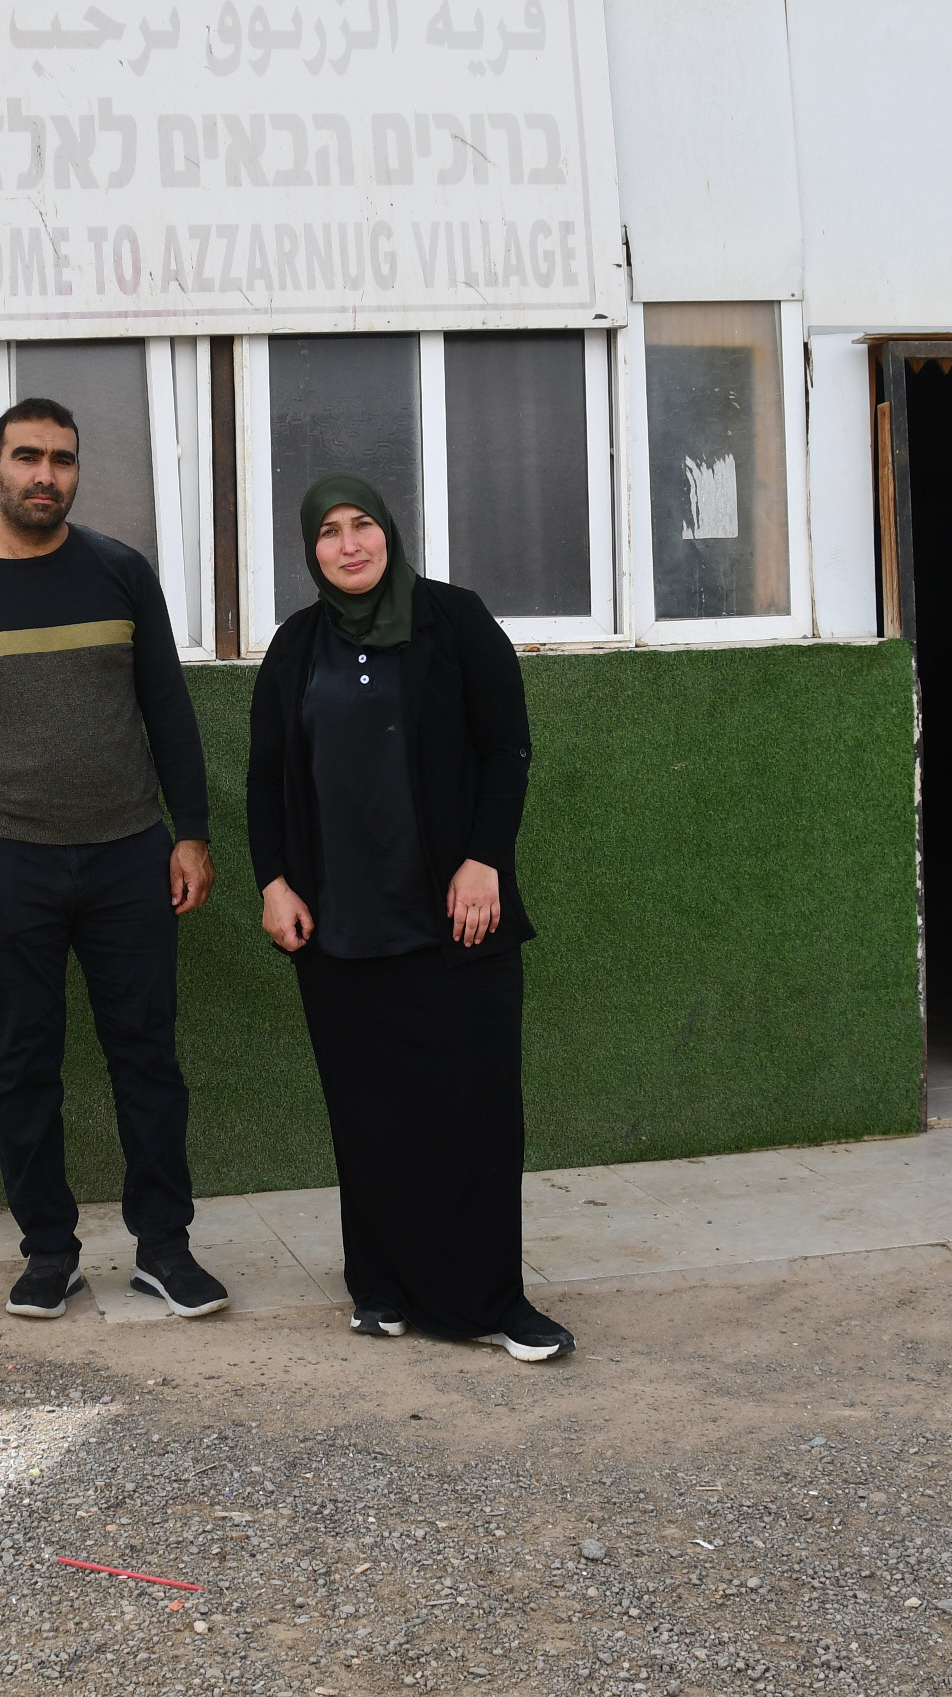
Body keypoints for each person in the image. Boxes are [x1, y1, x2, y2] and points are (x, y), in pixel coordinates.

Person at [0, 396, 229, 1321]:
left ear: (77, 473)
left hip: (130, 855)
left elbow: (169, 711)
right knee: (23, 1067)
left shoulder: (122, 574)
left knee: (148, 1062)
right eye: (28, 457)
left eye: (63, 460)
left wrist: (189, 831)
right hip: (5, 864)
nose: (46, 474)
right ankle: (49, 1252)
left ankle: (166, 1249)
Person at [245, 473, 573, 1363]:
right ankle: (379, 1288)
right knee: (370, 1115)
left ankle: (489, 1300)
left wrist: (483, 860)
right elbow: (266, 775)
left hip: (454, 921)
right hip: (341, 928)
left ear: (390, 532)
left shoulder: (454, 620)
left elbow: (506, 749)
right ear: (310, 549)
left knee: (474, 1111)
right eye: (328, 534)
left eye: (363, 527)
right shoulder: (296, 644)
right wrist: (274, 881)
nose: (348, 546)